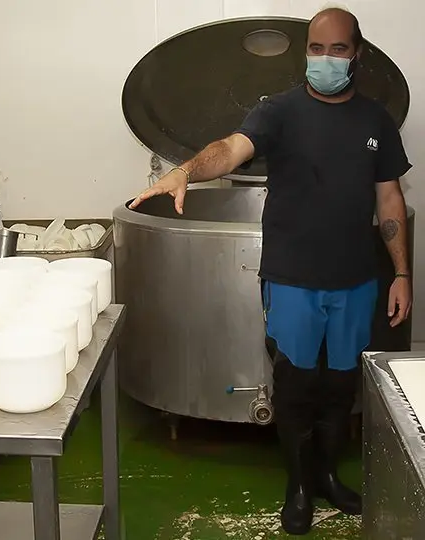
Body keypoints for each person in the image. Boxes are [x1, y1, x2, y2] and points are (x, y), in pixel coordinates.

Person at [129, 8, 411, 536]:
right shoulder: (279, 111)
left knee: (341, 383)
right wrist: (187, 170)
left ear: (357, 54)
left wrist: (401, 274)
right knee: (296, 383)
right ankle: (299, 485)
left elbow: (390, 198)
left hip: (355, 279)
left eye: (337, 50)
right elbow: (229, 150)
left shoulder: (375, 121)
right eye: (315, 49)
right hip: (293, 278)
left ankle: (327, 473)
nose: (324, 60)